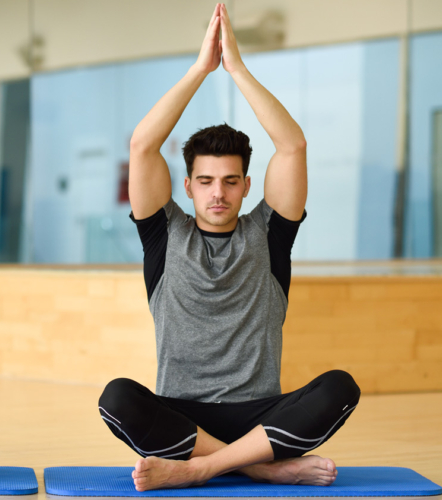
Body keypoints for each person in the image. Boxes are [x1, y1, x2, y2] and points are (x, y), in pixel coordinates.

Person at [98, 3, 360, 491]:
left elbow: (293, 147)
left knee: (340, 387)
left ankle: (203, 469)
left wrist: (236, 68)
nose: (217, 192)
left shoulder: (270, 233)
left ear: (245, 186)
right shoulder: (162, 233)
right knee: (116, 398)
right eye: (205, 181)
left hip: (259, 416)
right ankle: (258, 468)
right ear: (189, 185)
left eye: (230, 181)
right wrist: (202, 68)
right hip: (184, 418)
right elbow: (141, 146)